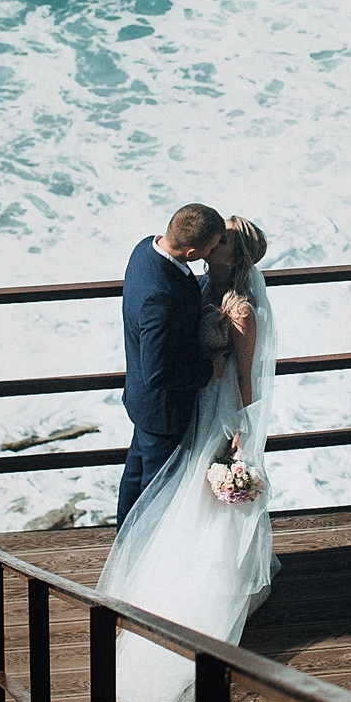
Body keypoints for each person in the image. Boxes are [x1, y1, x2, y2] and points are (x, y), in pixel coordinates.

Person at [96, 215, 276, 702]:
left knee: (188, 504)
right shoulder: (194, 283)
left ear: (229, 253)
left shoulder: (240, 309)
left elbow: (247, 379)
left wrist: (241, 435)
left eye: (223, 240)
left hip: (214, 413)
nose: (213, 244)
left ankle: (169, 585)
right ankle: (139, 566)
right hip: (186, 408)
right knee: (162, 494)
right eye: (212, 237)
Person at [116, 203, 224, 523]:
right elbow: (158, 372)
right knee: (157, 491)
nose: (213, 251)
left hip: (142, 403)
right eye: (210, 247)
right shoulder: (161, 296)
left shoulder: (144, 249)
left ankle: (125, 545)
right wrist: (210, 370)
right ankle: (142, 562)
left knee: (136, 479)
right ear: (191, 253)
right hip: (163, 411)